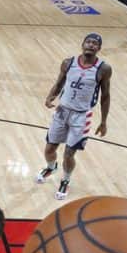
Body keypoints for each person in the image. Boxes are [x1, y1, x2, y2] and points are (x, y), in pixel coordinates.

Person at [36, 33, 111, 201]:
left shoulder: (103, 69)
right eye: (88, 42)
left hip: (81, 116)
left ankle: (65, 180)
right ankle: (50, 167)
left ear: (99, 48)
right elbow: (59, 82)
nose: (91, 45)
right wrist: (50, 96)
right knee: (49, 149)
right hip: (62, 111)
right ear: (82, 44)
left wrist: (104, 121)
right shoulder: (68, 63)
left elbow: (105, 96)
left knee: (69, 154)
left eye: (95, 43)